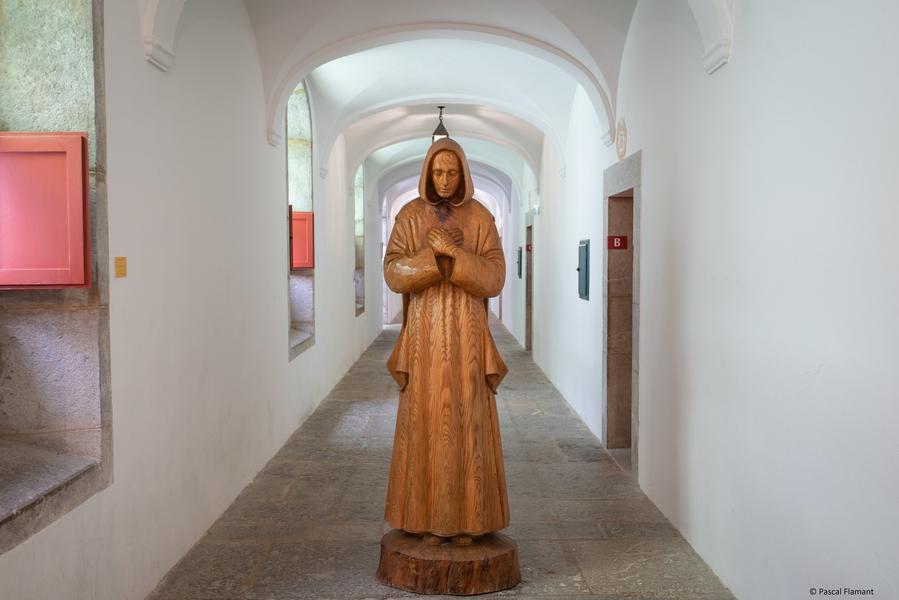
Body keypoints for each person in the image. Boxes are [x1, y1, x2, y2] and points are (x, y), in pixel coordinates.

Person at [383, 138, 509, 546]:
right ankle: (423, 520)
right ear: (426, 172)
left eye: (452, 172)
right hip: (423, 333)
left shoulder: (479, 217)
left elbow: (495, 276)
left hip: (467, 333)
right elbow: (393, 272)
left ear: (464, 174)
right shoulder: (409, 215)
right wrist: (432, 260)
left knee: (467, 422)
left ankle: (469, 522)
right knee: (424, 420)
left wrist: (455, 257)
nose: (444, 179)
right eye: (437, 172)